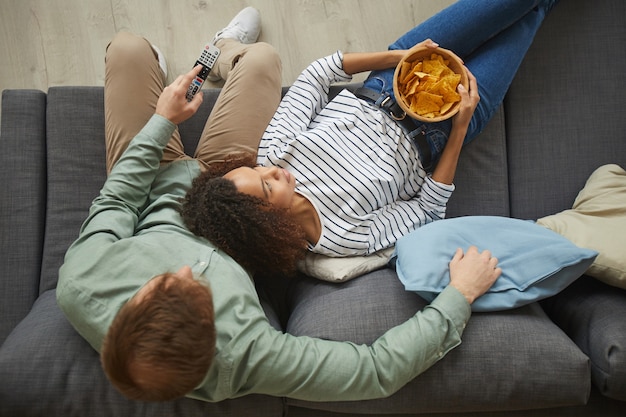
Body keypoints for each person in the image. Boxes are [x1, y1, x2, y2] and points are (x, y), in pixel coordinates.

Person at [57, 5, 502, 405]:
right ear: (213, 335)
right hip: (243, 211)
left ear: (134, 302)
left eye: (163, 281)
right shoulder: (246, 357)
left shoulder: (83, 279)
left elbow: (118, 196)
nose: (187, 268)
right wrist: (458, 297)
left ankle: (221, 52)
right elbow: (376, 370)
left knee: (135, 50)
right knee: (263, 62)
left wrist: (162, 121)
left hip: (182, 176)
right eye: (196, 292)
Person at [181, 0, 559, 277]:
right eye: (266, 188)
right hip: (443, 127)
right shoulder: (342, 238)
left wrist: (400, 56)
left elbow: (317, 75)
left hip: (390, 78)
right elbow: (427, 212)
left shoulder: (274, 154)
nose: (272, 173)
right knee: (538, 13)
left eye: (257, 172)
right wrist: (460, 125)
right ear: (268, 226)